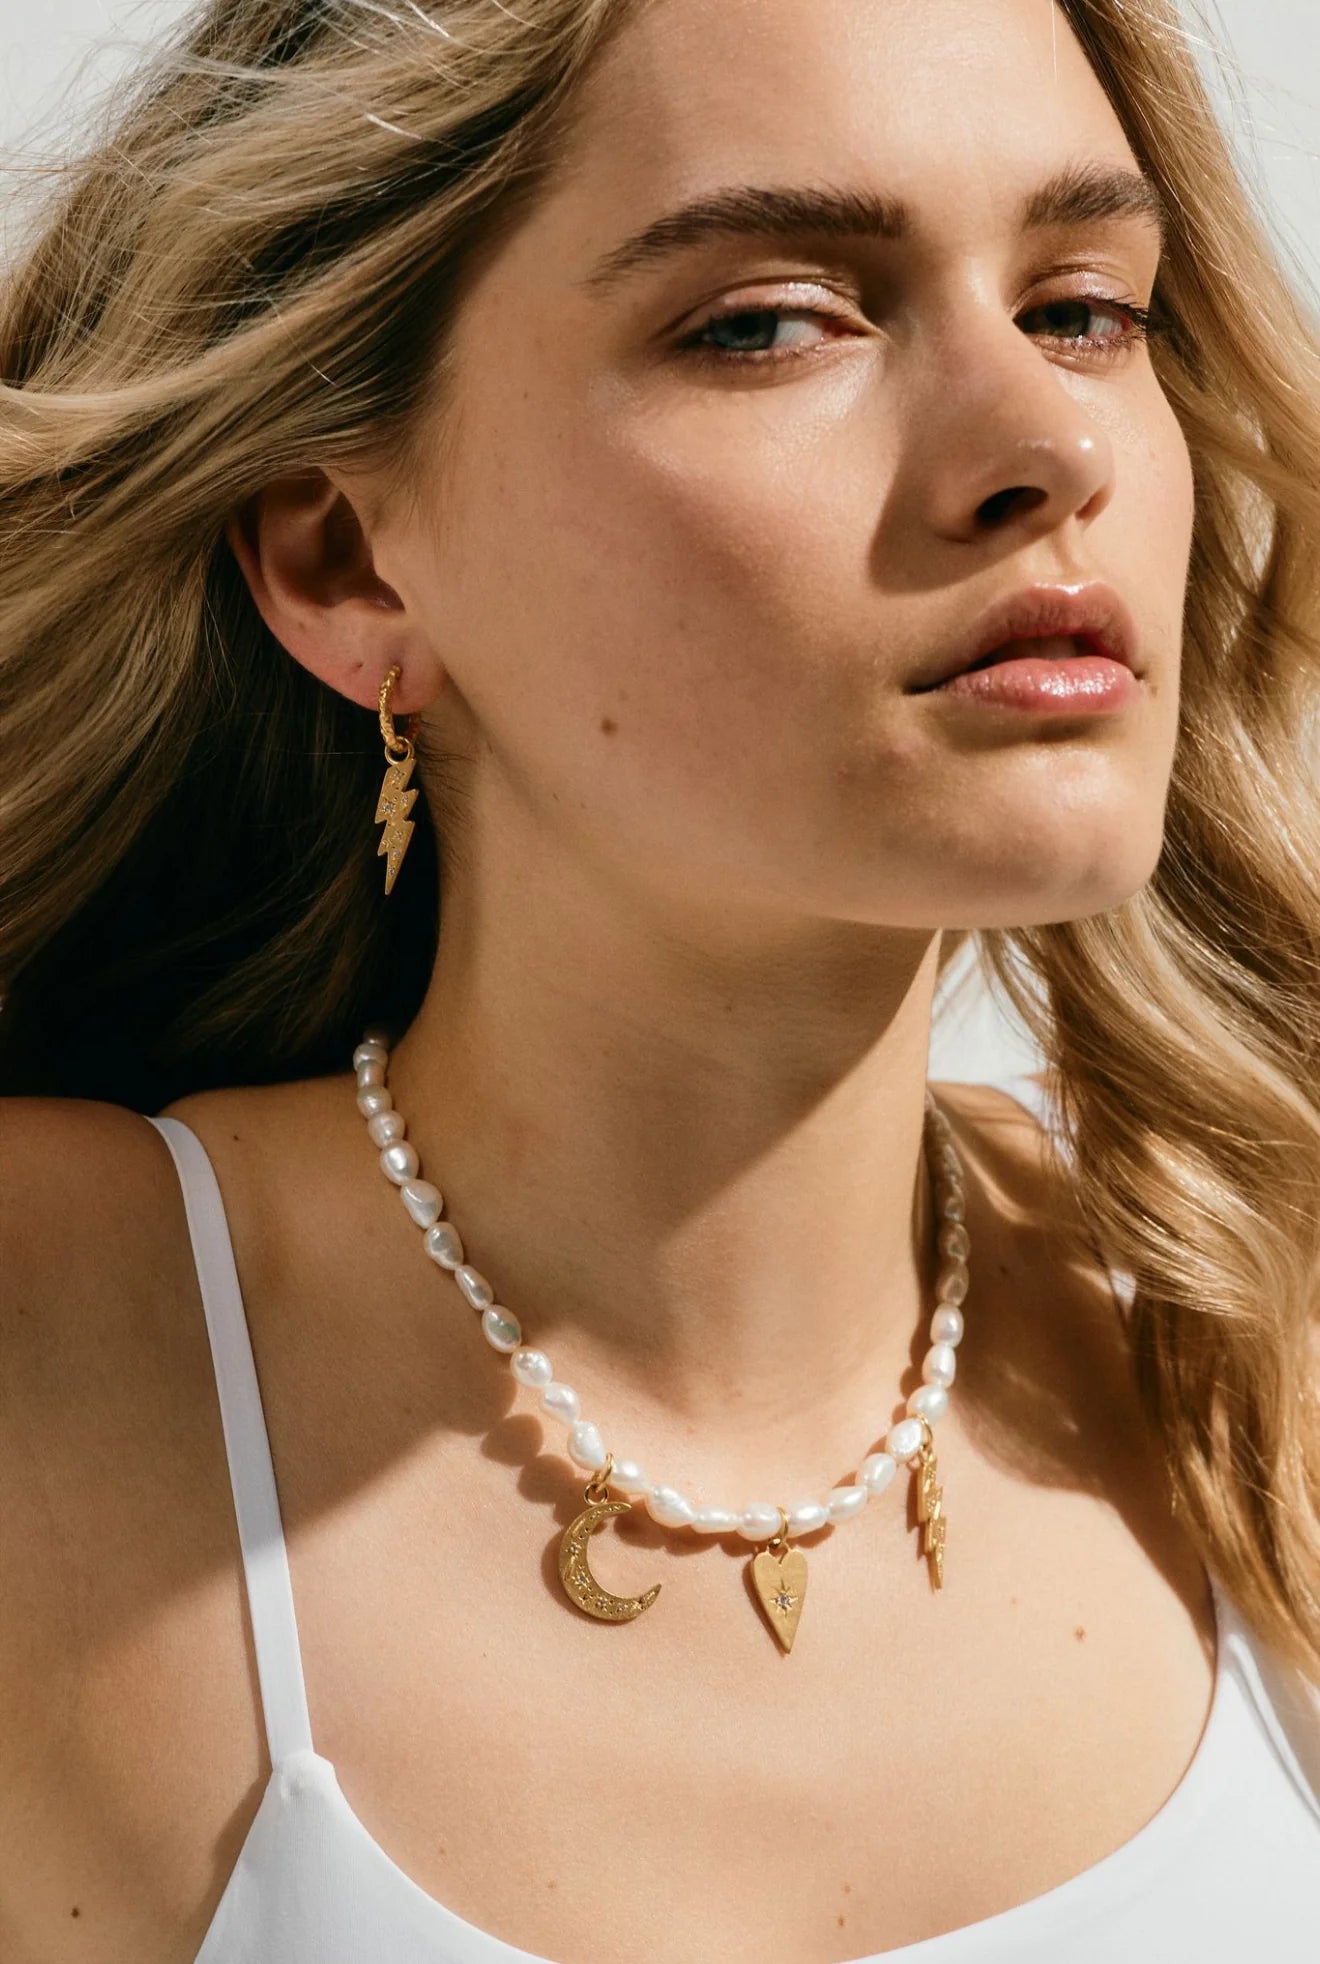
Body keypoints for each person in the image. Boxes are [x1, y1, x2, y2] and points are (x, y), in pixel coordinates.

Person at [1, 0, 1319, 1957]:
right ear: (350, 562)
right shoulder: (61, 1345)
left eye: (1086, 306)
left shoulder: (1255, 1321)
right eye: (770, 320)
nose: (1047, 446)